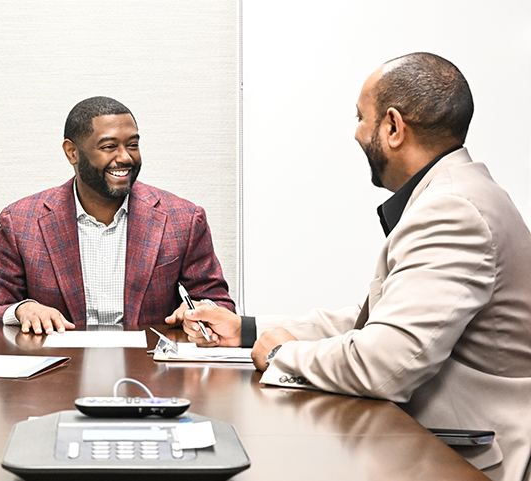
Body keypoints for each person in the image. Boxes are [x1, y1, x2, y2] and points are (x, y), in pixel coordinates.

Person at [168, 52, 531, 481]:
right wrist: (246, 329)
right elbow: (374, 320)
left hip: (462, 460)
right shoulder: (460, 193)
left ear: (393, 127)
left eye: (362, 118)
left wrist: (283, 355)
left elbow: (387, 364)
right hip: (430, 441)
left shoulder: (452, 210)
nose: (356, 133)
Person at [0, 96, 234, 333]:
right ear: (72, 152)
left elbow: (219, 303)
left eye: (132, 145)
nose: (125, 157)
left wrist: (200, 311)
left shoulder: (183, 219)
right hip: (58, 379)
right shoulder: (21, 222)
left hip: (151, 376)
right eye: (108, 147)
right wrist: (22, 310)